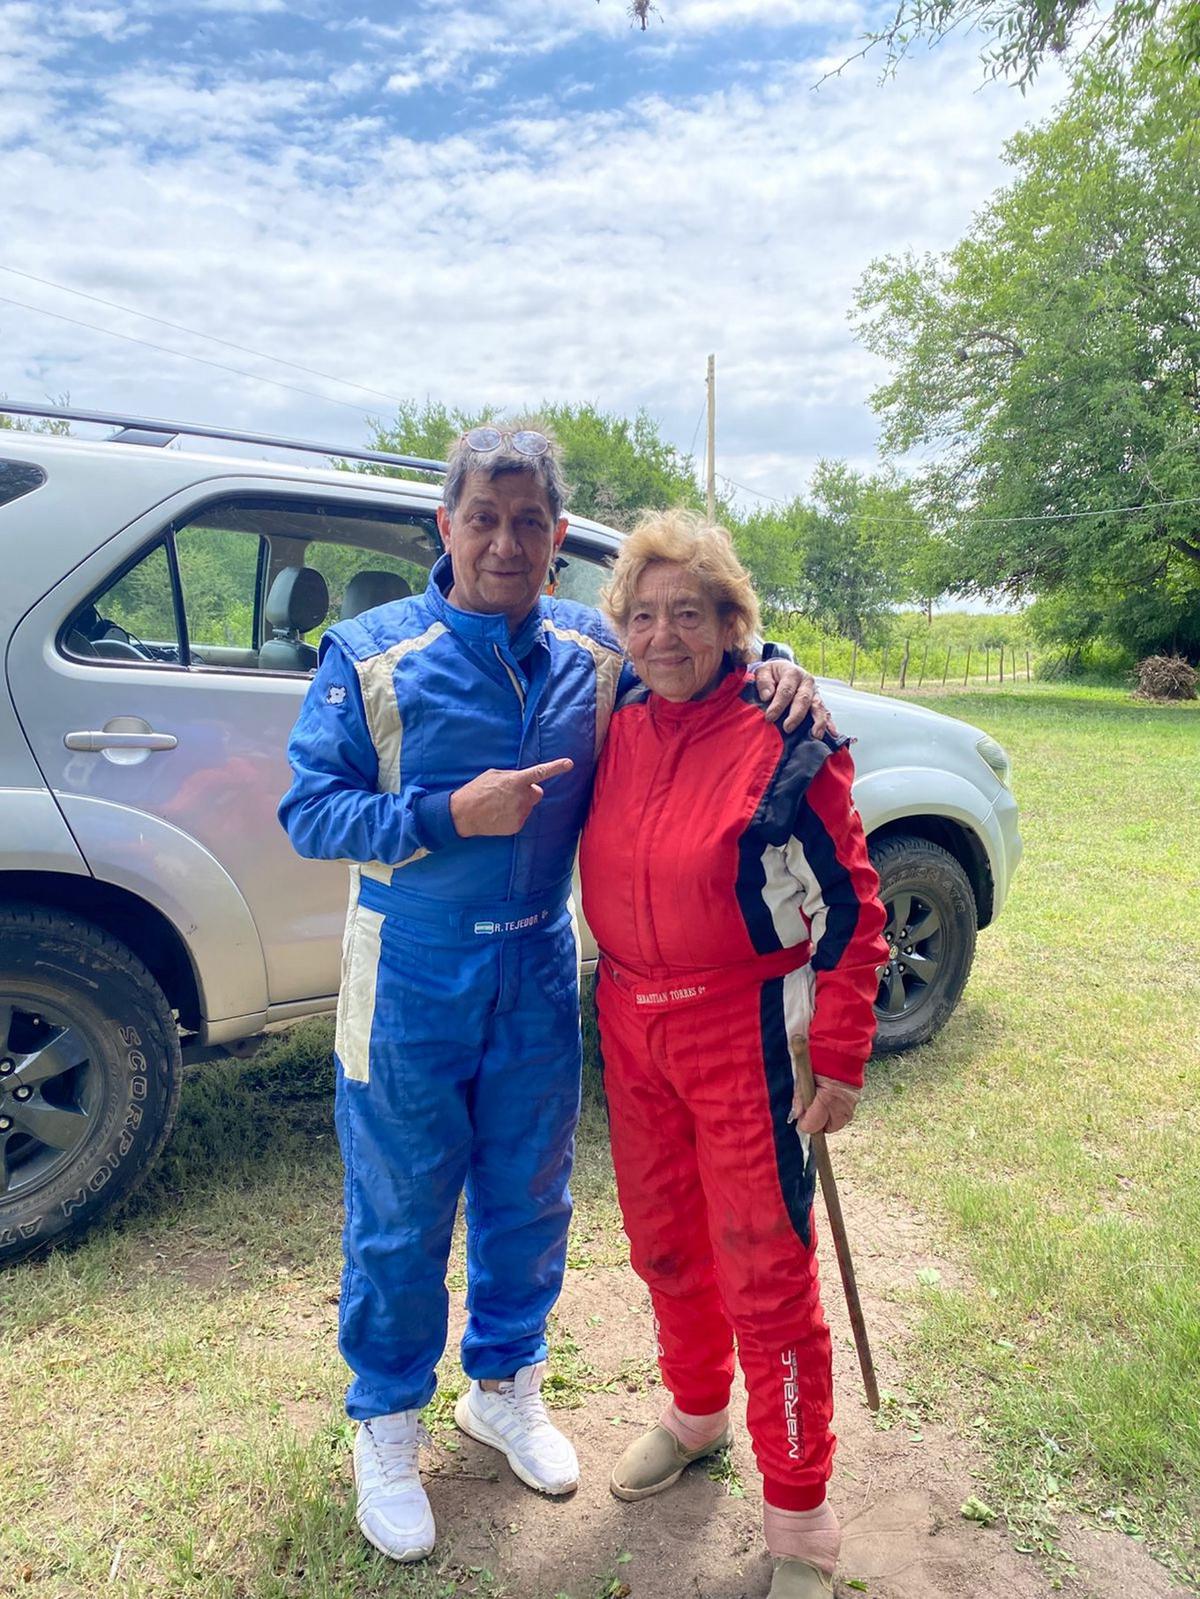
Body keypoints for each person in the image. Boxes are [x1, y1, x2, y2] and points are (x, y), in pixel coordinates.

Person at [277, 427, 822, 1564]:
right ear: (446, 525)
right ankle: (385, 1422)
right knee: (403, 1203)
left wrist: (776, 661)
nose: (506, 542)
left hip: (537, 961)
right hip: (410, 964)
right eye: (484, 517)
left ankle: (504, 1384)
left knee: (531, 1193)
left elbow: (699, 642)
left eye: (530, 522)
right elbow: (308, 811)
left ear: (560, 537)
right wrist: (441, 817)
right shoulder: (373, 653)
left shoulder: (594, 644)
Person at [578, 509, 888, 1599]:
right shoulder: (609, 702)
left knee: (765, 1269)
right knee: (664, 1244)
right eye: (646, 614)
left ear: (732, 625)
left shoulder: (788, 732)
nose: (665, 635)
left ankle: (801, 1522)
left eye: (691, 614)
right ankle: (698, 1412)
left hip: (743, 1030)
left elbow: (854, 905)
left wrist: (840, 1053)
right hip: (627, 1021)